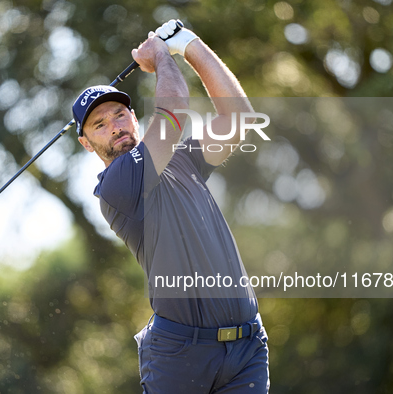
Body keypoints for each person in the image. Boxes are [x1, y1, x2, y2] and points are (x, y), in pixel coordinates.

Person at [72, 20, 269, 393]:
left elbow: (238, 120)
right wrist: (162, 57)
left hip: (247, 349)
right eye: (99, 124)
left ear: (133, 116)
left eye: (119, 115)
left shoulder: (182, 159)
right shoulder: (117, 186)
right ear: (86, 143)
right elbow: (174, 111)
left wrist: (190, 44)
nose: (114, 126)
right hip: (181, 355)